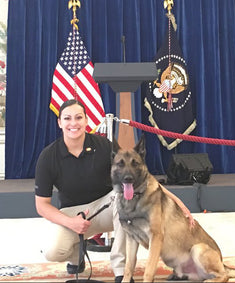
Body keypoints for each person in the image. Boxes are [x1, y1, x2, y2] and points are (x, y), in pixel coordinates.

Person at [35, 99, 194, 283]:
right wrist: (71, 223)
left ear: (87, 121)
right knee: (52, 252)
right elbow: (42, 205)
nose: (73, 123)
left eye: (79, 118)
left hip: (107, 208)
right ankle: (77, 253)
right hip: (73, 214)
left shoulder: (103, 146)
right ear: (60, 122)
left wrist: (180, 204)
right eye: (67, 118)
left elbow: (145, 180)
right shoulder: (48, 156)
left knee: (122, 198)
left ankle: (121, 271)